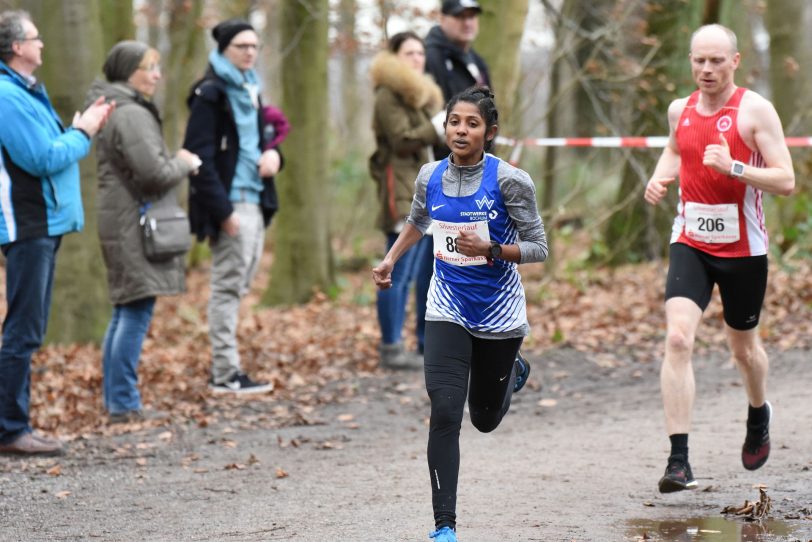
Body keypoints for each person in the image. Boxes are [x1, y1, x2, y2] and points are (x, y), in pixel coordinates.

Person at [372, 87, 547, 542]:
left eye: (471, 124)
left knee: (484, 418)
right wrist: (391, 259)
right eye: (454, 122)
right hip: (446, 303)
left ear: (489, 132)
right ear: (445, 127)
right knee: (445, 409)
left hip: (499, 312)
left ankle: (513, 370)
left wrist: (492, 249)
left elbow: (539, 248)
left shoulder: (511, 180)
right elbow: (417, 221)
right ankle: (444, 526)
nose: (461, 131)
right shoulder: (429, 175)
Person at [644, 24, 794, 493]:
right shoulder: (679, 109)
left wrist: (734, 167)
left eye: (715, 61)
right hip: (690, 240)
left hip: (744, 249)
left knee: (743, 350)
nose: (706, 70)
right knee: (678, 339)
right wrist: (660, 177)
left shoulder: (755, 111)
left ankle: (757, 411)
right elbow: (675, 149)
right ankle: (679, 460)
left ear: (735, 61)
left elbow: (786, 179)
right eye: (698, 61)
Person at [0, 10, 113, 455]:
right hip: (28, 224)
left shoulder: (25, 92)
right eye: (35, 37)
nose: (43, 44)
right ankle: (10, 429)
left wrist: (78, 128)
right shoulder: (6, 95)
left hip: (45, 223)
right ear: (16, 48)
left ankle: (14, 424)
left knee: (28, 328)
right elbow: (42, 158)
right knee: (23, 330)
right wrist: (82, 132)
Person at [86, 41, 201, 423]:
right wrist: (183, 162)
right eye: (148, 67)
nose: (156, 74)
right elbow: (154, 174)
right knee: (135, 309)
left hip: (120, 220)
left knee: (126, 309)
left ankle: (118, 400)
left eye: (158, 66)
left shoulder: (113, 108)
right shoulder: (132, 114)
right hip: (131, 223)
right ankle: (124, 403)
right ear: (127, 71)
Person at [184, 19, 282, 394]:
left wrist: (275, 157)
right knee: (227, 288)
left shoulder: (250, 87)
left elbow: (262, 141)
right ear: (224, 48)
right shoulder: (210, 93)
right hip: (231, 204)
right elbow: (198, 158)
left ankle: (227, 369)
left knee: (239, 287)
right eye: (242, 46)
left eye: (254, 46)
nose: (250, 52)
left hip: (256, 198)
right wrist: (222, 212)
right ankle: (225, 374)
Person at [415, 0, 492, 356]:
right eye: (460, 16)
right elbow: (431, 117)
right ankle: (426, 336)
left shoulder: (477, 61)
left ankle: (470, 325)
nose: (467, 23)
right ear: (443, 18)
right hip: (439, 172)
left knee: (470, 250)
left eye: (472, 16)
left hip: (477, 172)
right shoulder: (430, 58)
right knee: (433, 254)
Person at [369, 31, 444, 368]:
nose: (418, 58)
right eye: (410, 52)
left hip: (418, 188)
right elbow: (401, 141)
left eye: (420, 53)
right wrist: (436, 127)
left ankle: (405, 345)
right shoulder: (388, 94)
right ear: (395, 57)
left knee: (412, 275)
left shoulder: (416, 96)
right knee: (395, 272)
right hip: (398, 189)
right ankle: (391, 347)